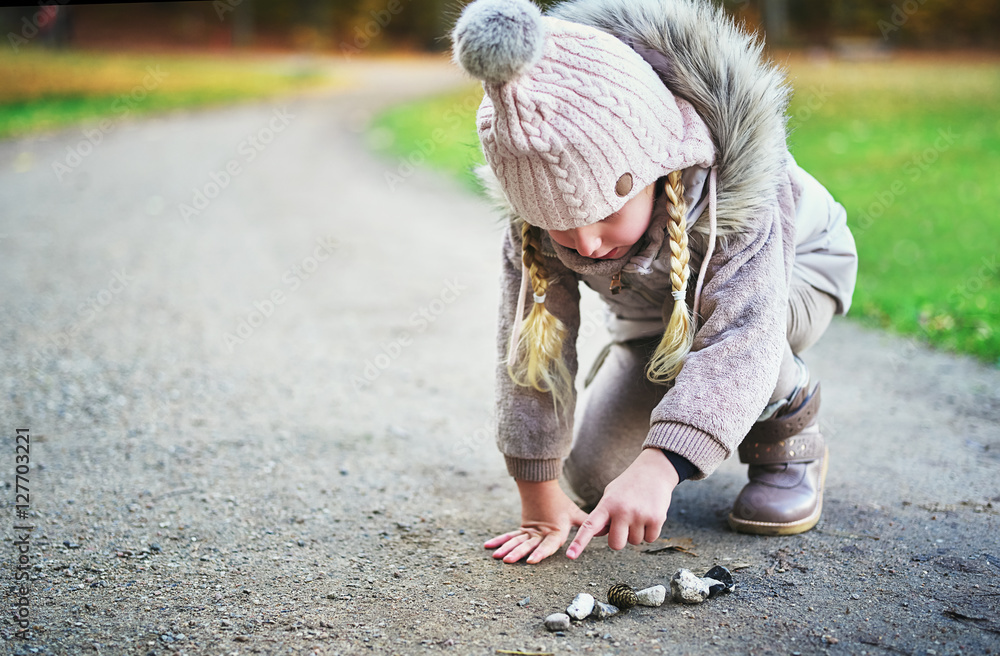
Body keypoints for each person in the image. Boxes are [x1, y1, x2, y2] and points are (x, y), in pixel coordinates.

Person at [451, 0, 858, 564]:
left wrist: (662, 465)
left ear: (656, 168)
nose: (587, 244)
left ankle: (788, 417)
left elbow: (745, 330)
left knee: (734, 355)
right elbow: (530, 350)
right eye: (561, 227)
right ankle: (708, 411)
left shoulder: (732, 187)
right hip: (662, 313)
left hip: (794, 278)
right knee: (595, 479)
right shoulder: (539, 223)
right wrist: (538, 491)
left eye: (607, 212)